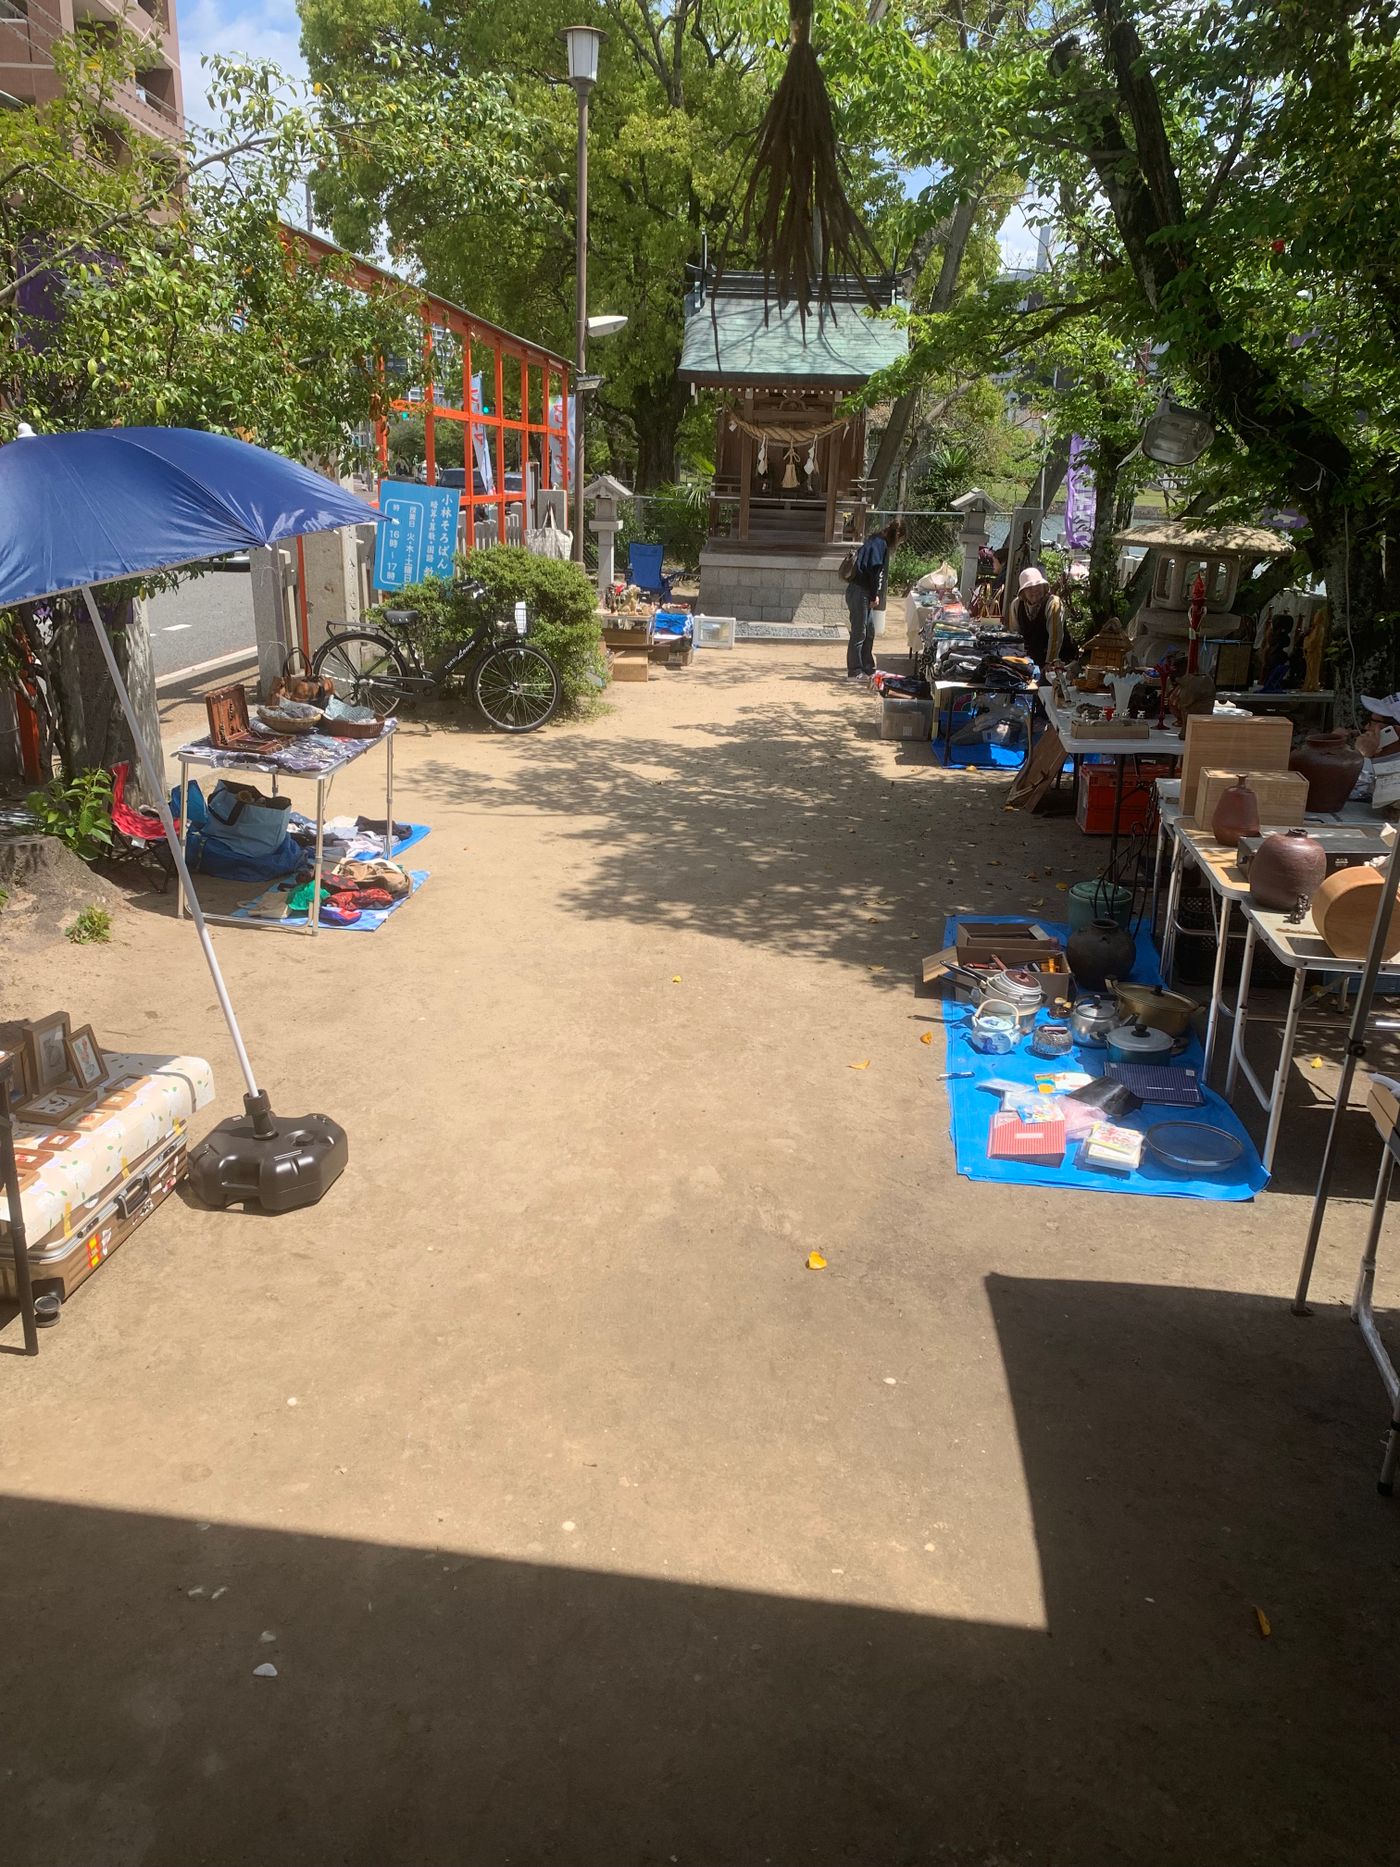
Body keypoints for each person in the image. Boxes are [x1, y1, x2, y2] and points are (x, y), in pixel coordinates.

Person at [845, 519, 903, 679]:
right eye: (900, 539)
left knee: (869, 630)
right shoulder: (880, 544)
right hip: (860, 592)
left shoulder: (874, 540)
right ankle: (854, 670)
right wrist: (874, 595)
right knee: (859, 631)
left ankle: (867, 667)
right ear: (896, 535)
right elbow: (874, 571)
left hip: (859, 591)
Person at [1008, 565, 1064, 672]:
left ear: (1044, 587)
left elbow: (1056, 637)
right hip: (1029, 660)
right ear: (1023, 592)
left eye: (1038, 586)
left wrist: (1050, 662)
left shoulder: (1053, 603)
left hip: (1056, 660)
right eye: (1029, 588)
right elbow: (1015, 636)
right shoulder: (1016, 605)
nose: (1034, 590)